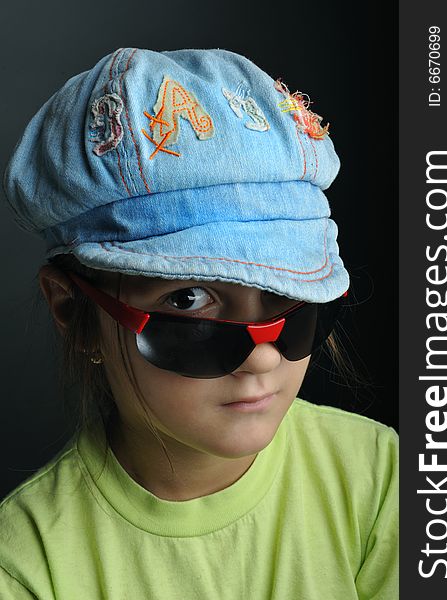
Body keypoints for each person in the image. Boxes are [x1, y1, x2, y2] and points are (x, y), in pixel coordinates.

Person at [0, 47, 398, 599]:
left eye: (286, 289)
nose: (263, 355)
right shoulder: (26, 562)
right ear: (73, 310)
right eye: (188, 299)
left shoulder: (385, 481)